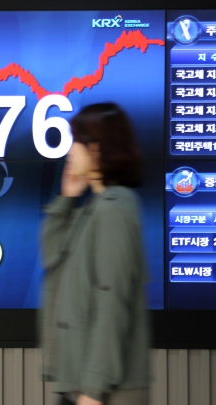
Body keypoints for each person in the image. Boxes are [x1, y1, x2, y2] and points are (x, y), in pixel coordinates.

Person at [39, 103, 150, 405]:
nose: (69, 150)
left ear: (97, 148)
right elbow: (52, 257)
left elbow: (112, 302)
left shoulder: (114, 209)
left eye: (76, 140)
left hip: (101, 390)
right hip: (80, 384)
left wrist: (94, 390)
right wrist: (66, 198)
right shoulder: (95, 208)